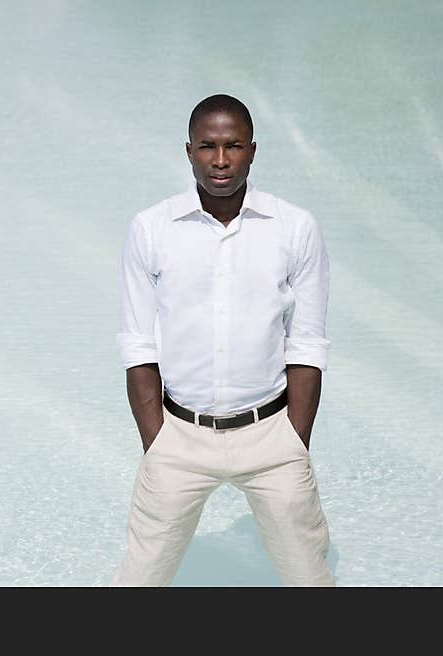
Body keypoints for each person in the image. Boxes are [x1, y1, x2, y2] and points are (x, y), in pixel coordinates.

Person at [110, 94, 335, 586]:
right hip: (179, 434)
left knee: (309, 580)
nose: (220, 160)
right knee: (138, 582)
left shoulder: (295, 228)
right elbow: (138, 344)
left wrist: (294, 441)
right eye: (208, 146)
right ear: (188, 150)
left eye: (233, 146)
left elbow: (307, 344)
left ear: (252, 150)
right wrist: (158, 441)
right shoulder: (151, 228)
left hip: (272, 435)